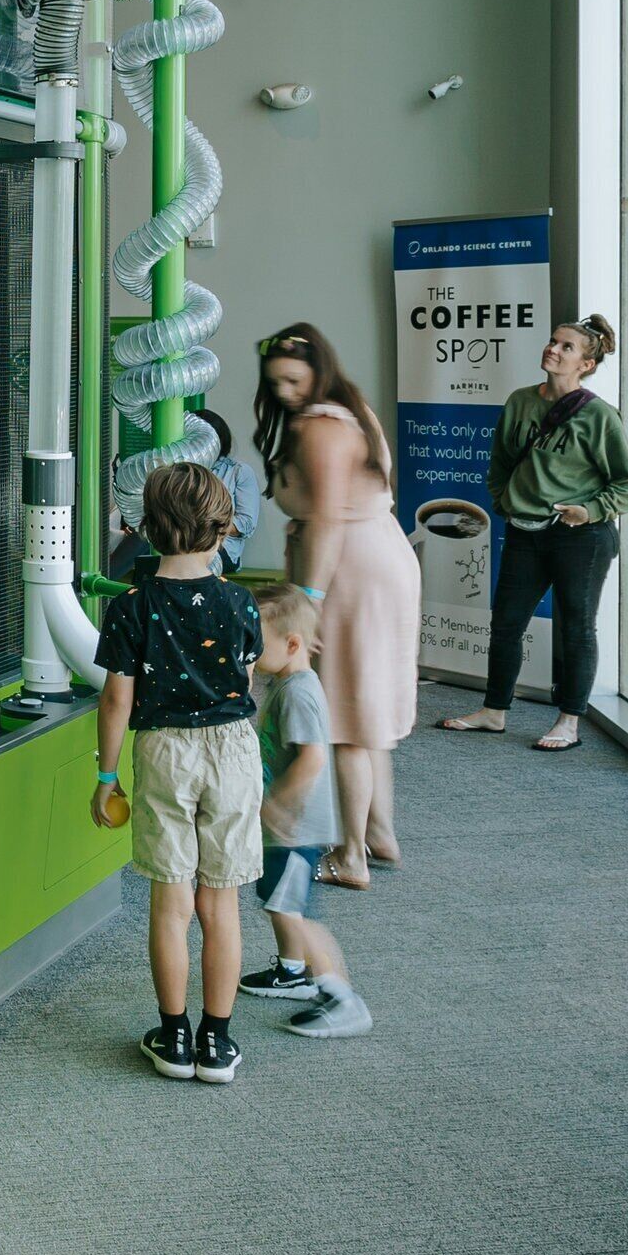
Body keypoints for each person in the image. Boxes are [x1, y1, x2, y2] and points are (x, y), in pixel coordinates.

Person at [88, 461, 271, 1084]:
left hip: (164, 750)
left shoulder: (131, 608)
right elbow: (245, 678)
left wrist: (107, 776)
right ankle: (216, 1044)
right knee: (221, 905)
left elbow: (115, 699)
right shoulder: (241, 602)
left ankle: (172, 1038)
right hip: (232, 749)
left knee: (171, 905)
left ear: (145, 529)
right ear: (222, 530)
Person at [251, 324, 419, 887]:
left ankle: (351, 857)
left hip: (350, 568)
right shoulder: (350, 411)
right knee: (365, 709)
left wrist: (308, 601)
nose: (284, 393)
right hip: (375, 559)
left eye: (294, 380)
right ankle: (379, 833)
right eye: (275, 383)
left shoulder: (323, 426)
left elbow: (324, 519)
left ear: (317, 371)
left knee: (345, 716)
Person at [440, 315, 628, 751]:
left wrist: (587, 511)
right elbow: (500, 462)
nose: (553, 349)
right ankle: (494, 711)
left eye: (567, 347)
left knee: (576, 629)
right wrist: (504, 500)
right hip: (524, 532)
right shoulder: (519, 402)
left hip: (582, 538)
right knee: (506, 623)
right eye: (553, 341)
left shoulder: (599, 416)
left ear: (586, 364)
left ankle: (568, 722)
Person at [238, 589, 373, 1038]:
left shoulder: (298, 694)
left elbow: (313, 760)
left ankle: (341, 997)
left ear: (292, 645)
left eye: (258, 643)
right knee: (277, 902)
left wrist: (277, 806)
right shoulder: (287, 682)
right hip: (287, 829)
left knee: (294, 909)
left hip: (297, 829)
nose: (251, 650)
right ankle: (292, 972)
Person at [104, 406, 268, 581]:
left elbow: (246, 524)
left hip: (218, 548)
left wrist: (195, 524)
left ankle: (108, 584)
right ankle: (111, 584)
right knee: (146, 534)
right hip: (177, 537)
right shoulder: (180, 471)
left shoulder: (239, 472)